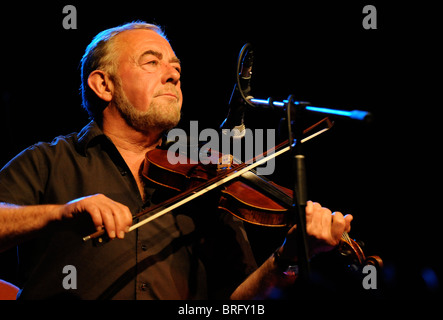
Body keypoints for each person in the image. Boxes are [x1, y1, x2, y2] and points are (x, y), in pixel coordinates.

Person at [0, 22, 352, 299]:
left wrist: (287, 258)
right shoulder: (48, 162)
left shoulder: (208, 177)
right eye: (151, 62)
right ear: (103, 85)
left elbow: (234, 304)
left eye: (176, 67)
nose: (173, 74)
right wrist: (61, 213)